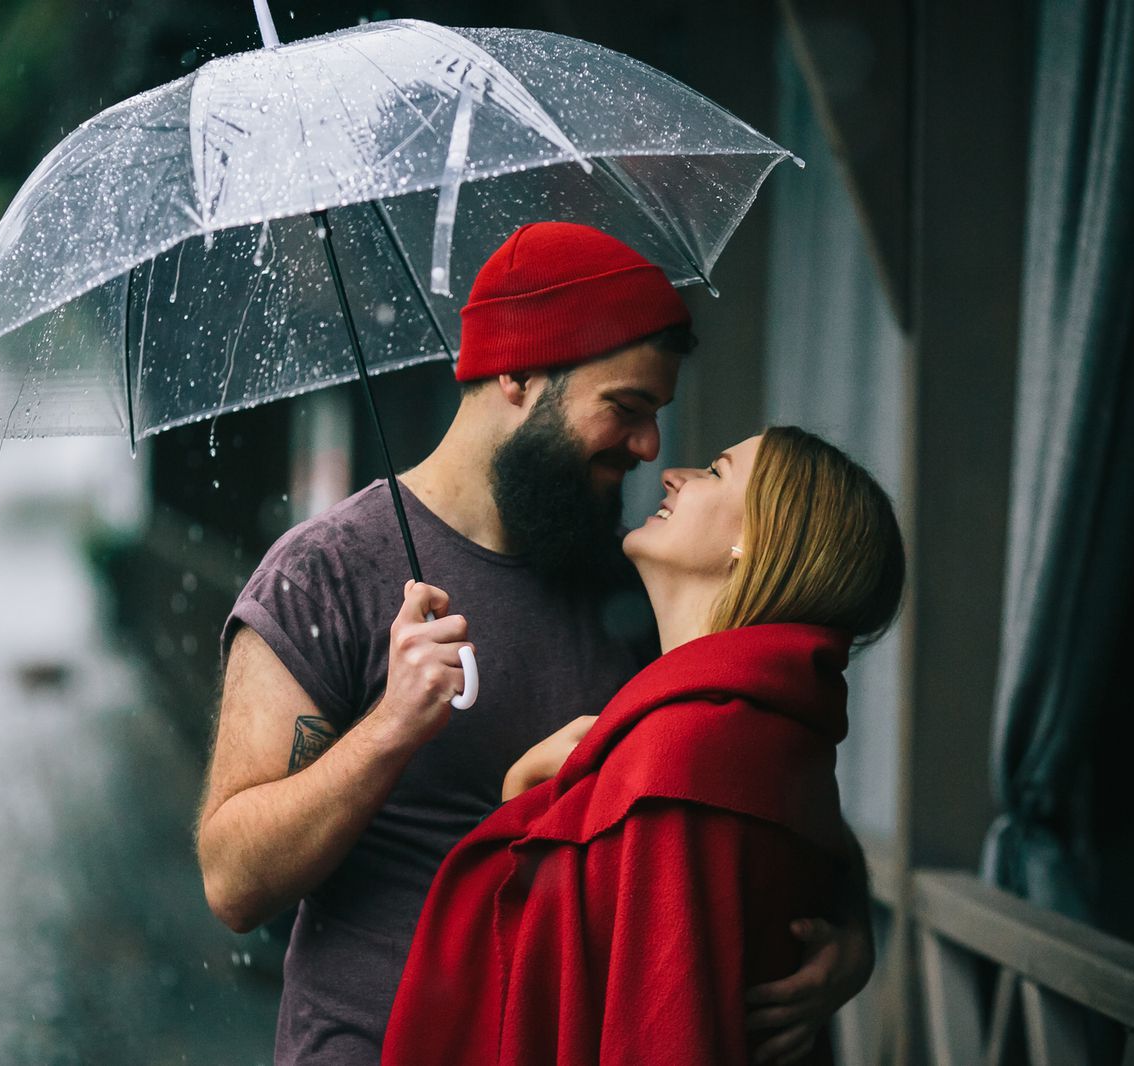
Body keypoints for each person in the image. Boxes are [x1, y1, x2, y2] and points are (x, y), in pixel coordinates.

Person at [196, 222, 874, 1066]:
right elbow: (233, 882)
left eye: (656, 416)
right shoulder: (323, 575)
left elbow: (780, 818)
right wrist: (390, 727)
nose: (650, 447)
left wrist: (849, 945)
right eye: (626, 408)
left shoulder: (634, 586)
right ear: (516, 371)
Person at [381, 426, 904, 1066]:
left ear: (756, 541)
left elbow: (654, 1027)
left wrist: (526, 800)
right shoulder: (770, 729)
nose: (670, 472)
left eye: (715, 470)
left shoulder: (685, 753)